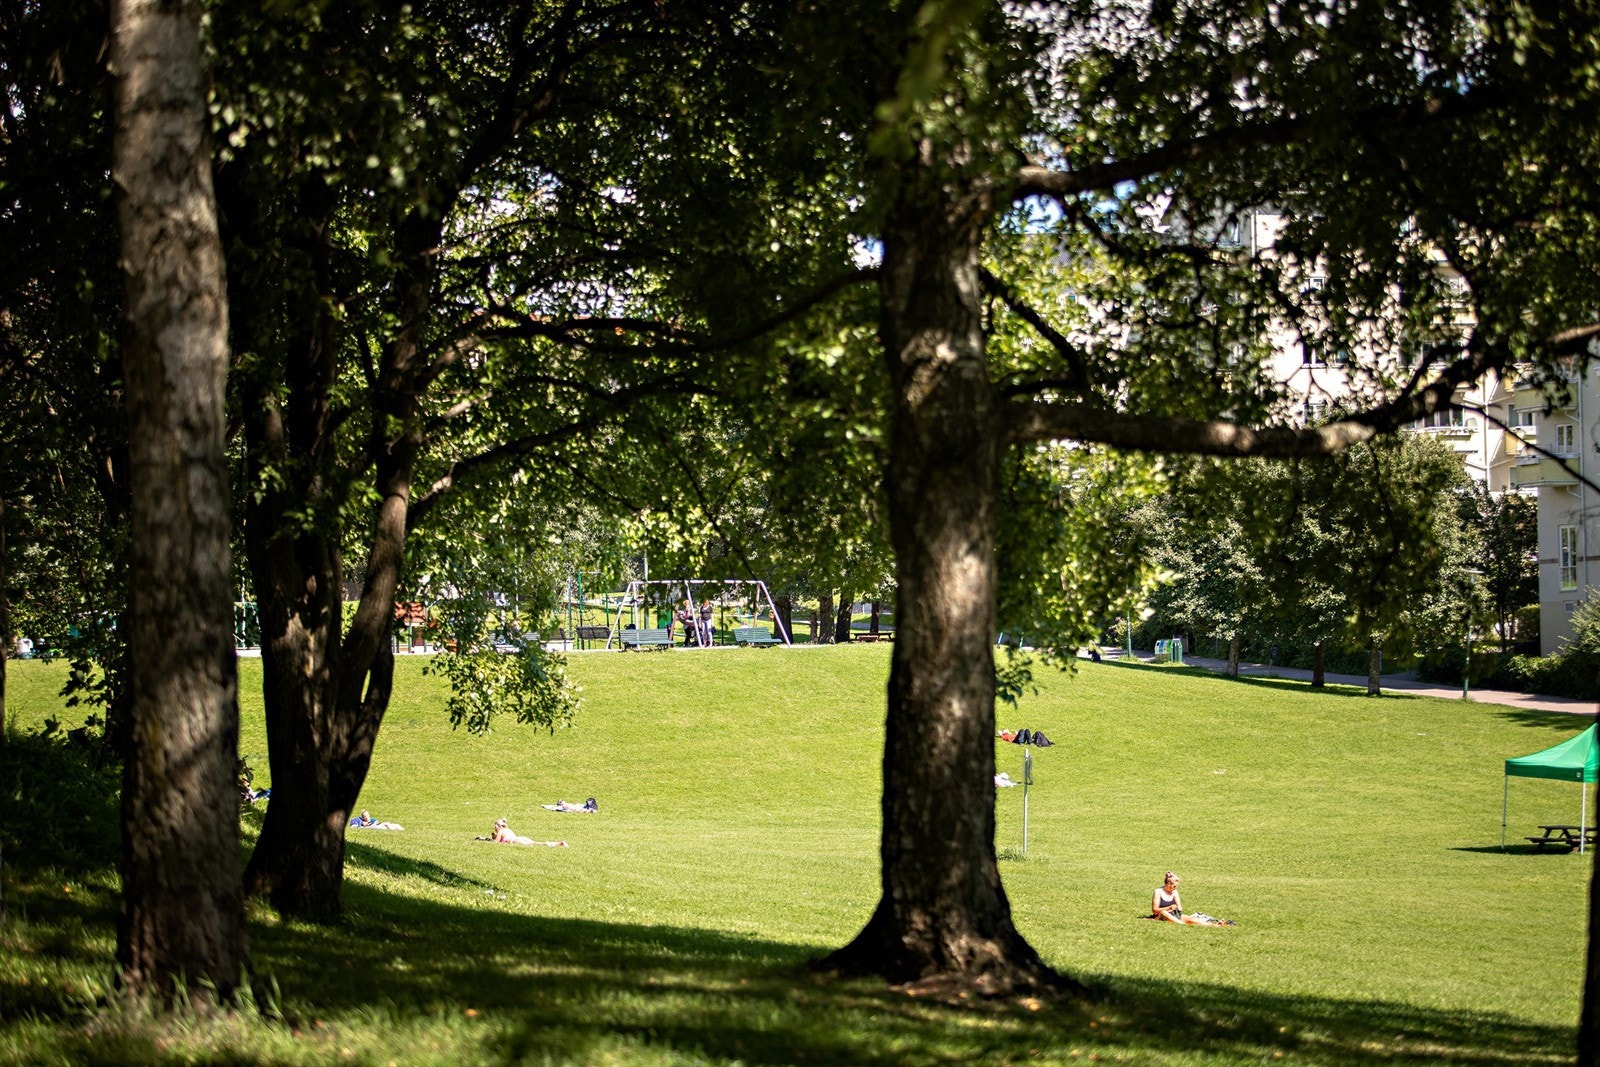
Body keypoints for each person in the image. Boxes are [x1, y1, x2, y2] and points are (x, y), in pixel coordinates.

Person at [1152, 871, 1234, 925]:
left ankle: (1214, 925)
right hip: (1160, 916)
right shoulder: (1158, 891)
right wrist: (1169, 907)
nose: (1175, 888)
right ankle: (1182, 924)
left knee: (1191, 919)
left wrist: (1178, 908)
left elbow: (1179, 907)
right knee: (1163, 912)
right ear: (1169, 883)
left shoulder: (1174, 892)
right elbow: (1155, 910)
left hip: (1174, 915)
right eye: (1174, 886)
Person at [486, 818, 567, 847]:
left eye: (495, 825)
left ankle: (552, 844)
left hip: (515, 841)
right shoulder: (508, 829)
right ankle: (559, 844)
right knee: (536, 843)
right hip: (520, 838)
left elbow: (495, 843)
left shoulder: (501, 831)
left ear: (498, 826)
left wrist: (492, 839)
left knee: (537, 845)